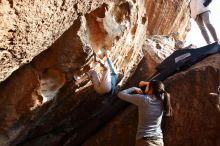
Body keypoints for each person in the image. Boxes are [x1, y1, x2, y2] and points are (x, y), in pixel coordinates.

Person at [118, 80, 173, 146]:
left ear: (151, 88)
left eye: (147, 86)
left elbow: (120, 94)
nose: (146, 86)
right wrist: (147, 83)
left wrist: (134, 88)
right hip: (159, 141)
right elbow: (159, 87)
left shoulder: (143, 99)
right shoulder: (163, 100)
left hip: (145, 141)